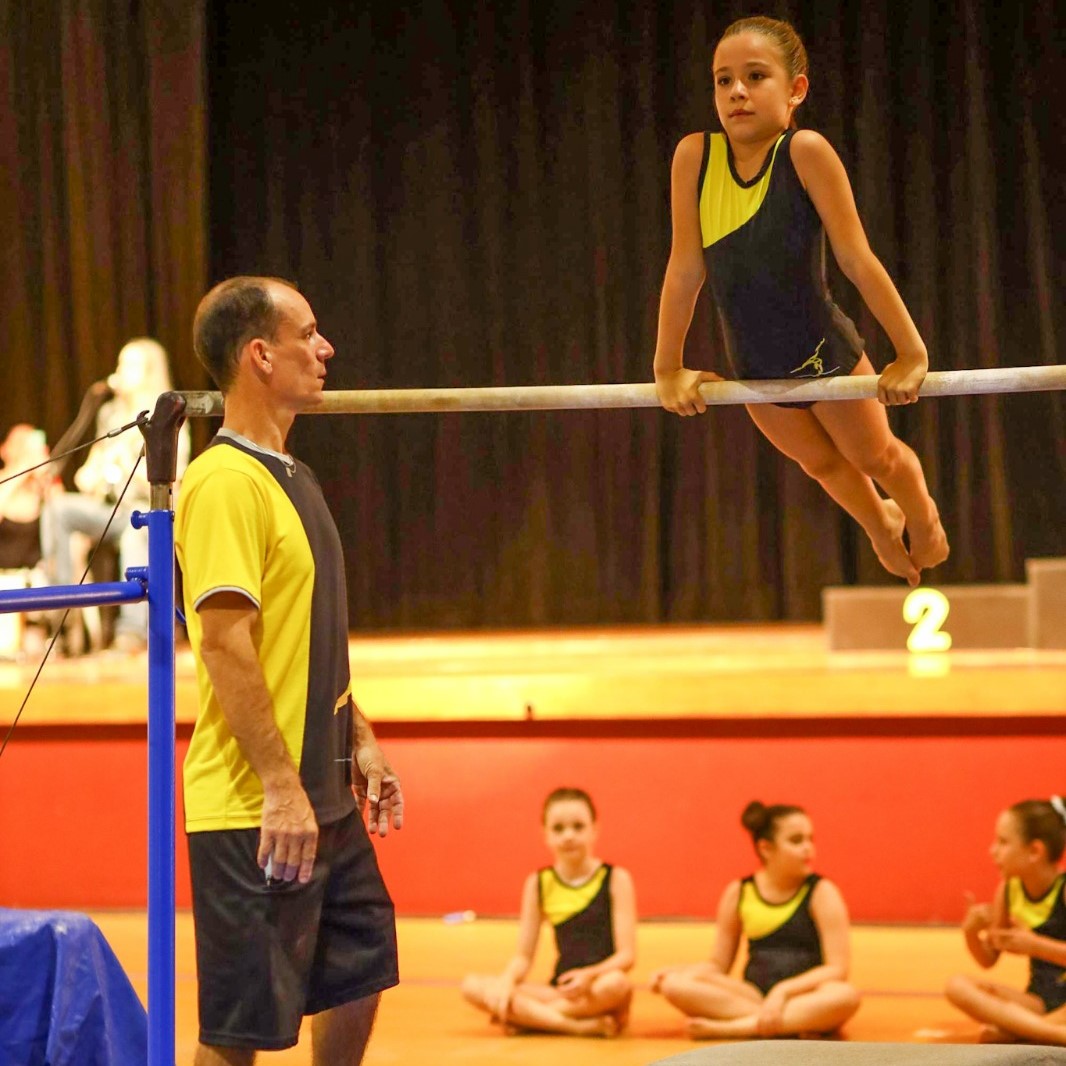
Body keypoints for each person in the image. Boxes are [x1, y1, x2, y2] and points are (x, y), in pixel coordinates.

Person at [175, 276, 403, 1066]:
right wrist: (279, 785)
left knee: (360, 969)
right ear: (260, 355)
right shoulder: (223, 484)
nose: (326, 348)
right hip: (254, 806)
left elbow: (309, 642)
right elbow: (225, 645)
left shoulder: (293, 476)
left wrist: (360, 736)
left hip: (324, 791)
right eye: (309, 333)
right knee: (240, 1033)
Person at [653, 15, 948, 588]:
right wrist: (667, 366)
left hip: (822, 350)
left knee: (874, 458)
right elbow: (685, 268)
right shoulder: (694, 157)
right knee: (821, 465)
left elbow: (857, 259)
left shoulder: (804, 152)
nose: (736, 91)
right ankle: (879, 526)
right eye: (723, 80)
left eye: (755, 76)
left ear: (796, 90)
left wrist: (911, 353)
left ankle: (921, 511)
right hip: (754, 363)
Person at [650, 800, 860, 1039]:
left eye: (810, 839)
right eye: (796, 841)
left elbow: (837, 968)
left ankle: (739, 1028)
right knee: (676, 984)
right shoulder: (740, 892)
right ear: (766, 848)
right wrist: (679, 971)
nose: (808, 848)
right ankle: (785, 1024)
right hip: (752, 995)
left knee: (845, 996)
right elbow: (718, 965)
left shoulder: (821, 892)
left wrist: (784, 991)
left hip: (805, 995)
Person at [39, 338, 189, 652]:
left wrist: (125, 470)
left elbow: (176, 476)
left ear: (149, 371)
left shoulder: (170, 416)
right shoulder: (110, 414)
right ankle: (63, 616)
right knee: (57, 508)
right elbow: (90, 473)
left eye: (128, 364)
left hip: (145, 510)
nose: (118, 371)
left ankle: (130, 632)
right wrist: (93, 473)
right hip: (108, 508)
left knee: (136, 533)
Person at [460, 787, 636, 1036]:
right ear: (545, 834)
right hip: (561, 992)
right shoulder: (538, 883)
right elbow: (523, 956)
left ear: (594, 829)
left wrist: (589, 975)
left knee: (617, 983)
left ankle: (529, 1018)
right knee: (473, 986)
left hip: (597, 989)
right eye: (558, 828)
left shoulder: (616, 879)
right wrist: (506, 982)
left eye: (578, 826)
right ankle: (574, 1026)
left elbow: (627, 956)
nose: (568, 836)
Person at [945, 797, 1066, 1046]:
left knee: (995, 1034)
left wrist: (1036, 946)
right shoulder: (1008, 890)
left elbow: (1035, 946)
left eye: (1003, 842)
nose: (993, 851)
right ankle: (1046, 1032)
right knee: (956, 986)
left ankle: (1023, 1031)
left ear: (1035, 851)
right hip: (1039, 1000)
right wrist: (971, 932)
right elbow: (988, 959)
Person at [0, 424, 52, 570]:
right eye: (19, 444)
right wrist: (22, 469)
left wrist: (44, 477)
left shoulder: (40, 487)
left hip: (34, 579)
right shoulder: (3, 482)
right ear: (4, 449)